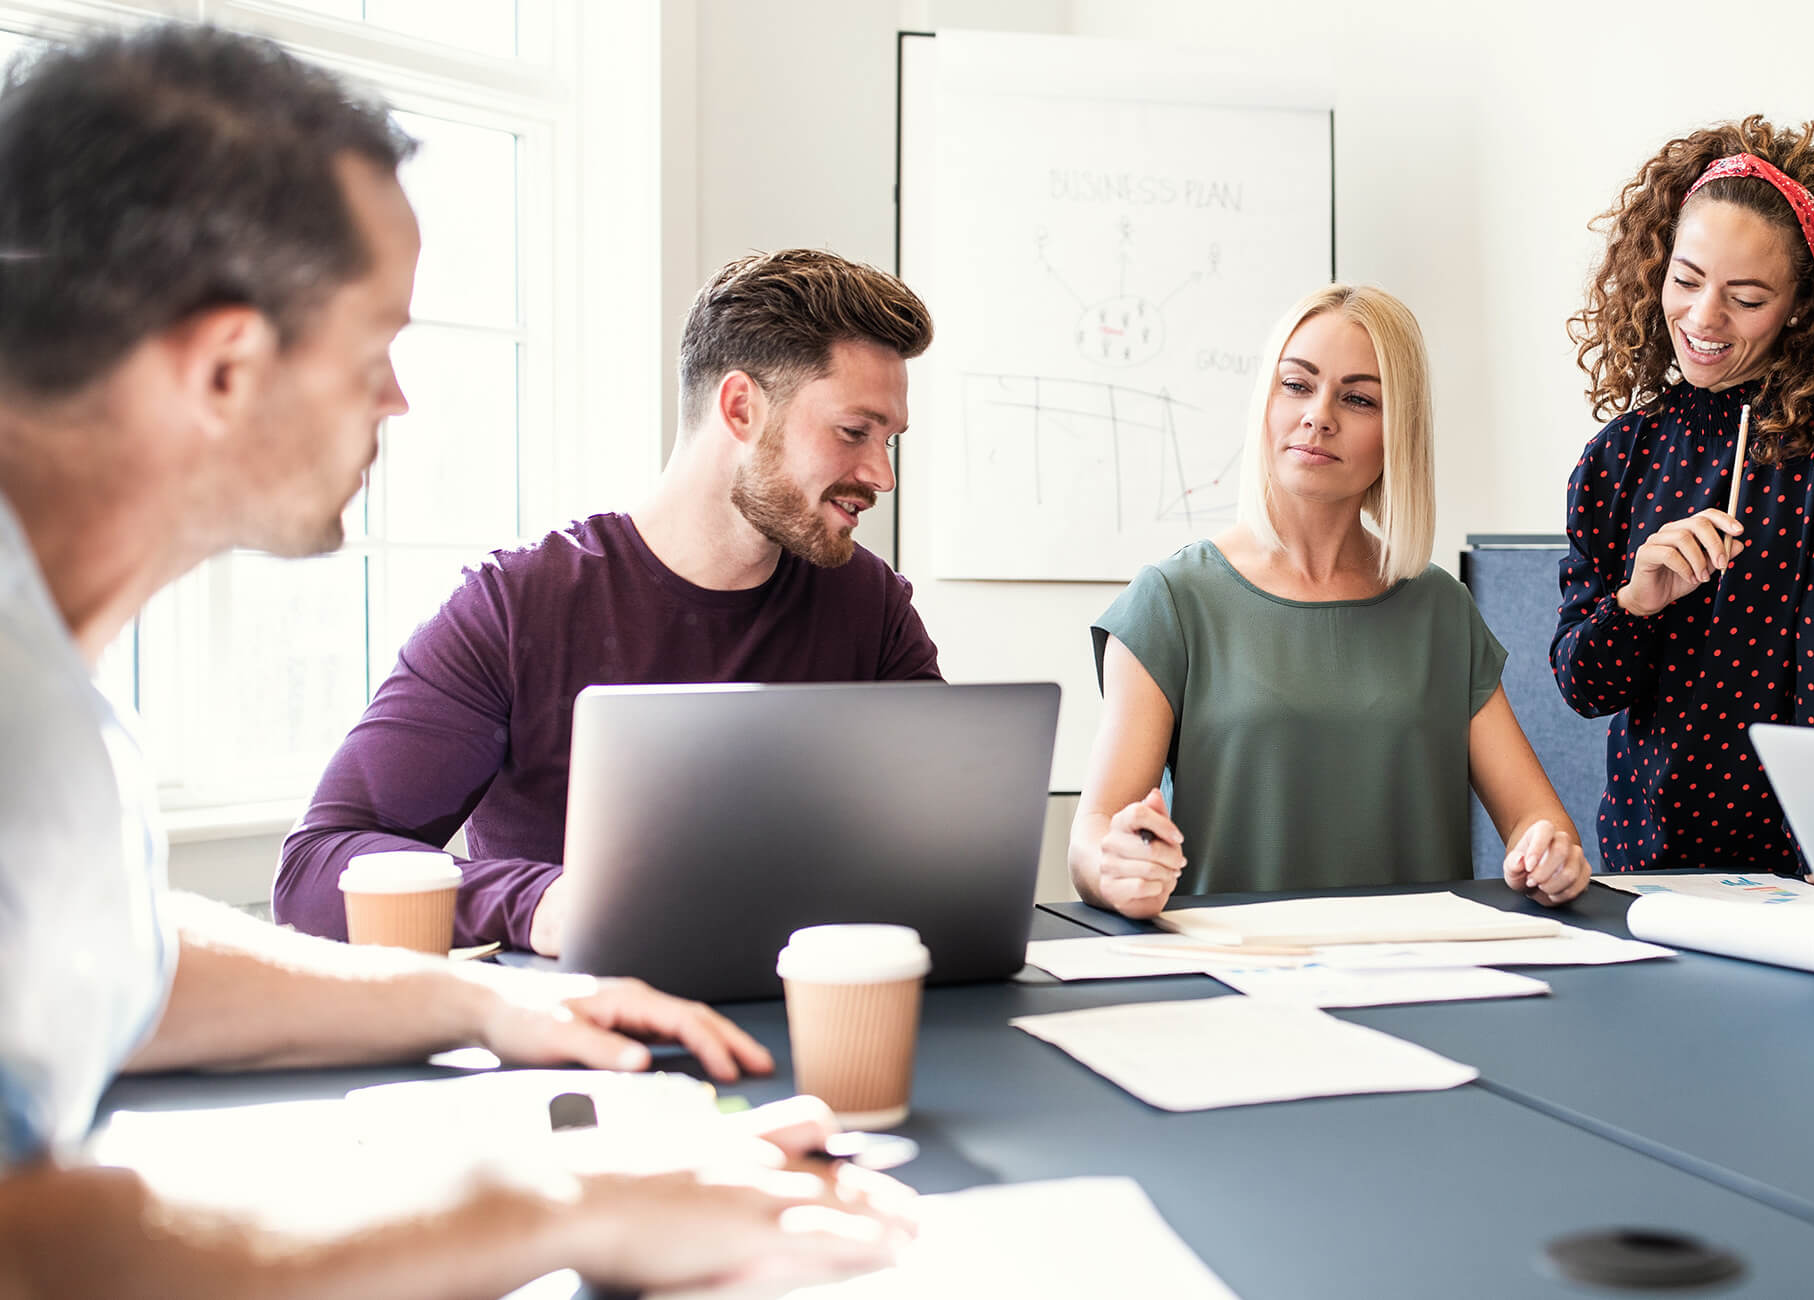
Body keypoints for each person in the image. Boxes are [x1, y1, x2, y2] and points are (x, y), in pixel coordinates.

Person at [0, 25, 908, 1294]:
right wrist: (555, 1207)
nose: (400, 402)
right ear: (221, 366)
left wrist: (483, 1007)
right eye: (374, 349)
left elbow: (120, 966)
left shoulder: (51, 690)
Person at [276, 248, 943, 955]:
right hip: (591, 1028)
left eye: (890, 440)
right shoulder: (515, 605)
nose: (881, 474)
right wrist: (545, 902)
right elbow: (318, 867)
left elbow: (943, 831)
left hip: (821, 1004)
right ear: (742, 407)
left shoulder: (867, 602)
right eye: (854, 432)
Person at [1071, 284, 1593, 919]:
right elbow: (1093, 833)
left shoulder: (1440, 610)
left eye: (1358, 398)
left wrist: (1551, 855)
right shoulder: (1172, 602)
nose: (1319, 415)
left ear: (1398, 431)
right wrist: (1115, 867)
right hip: (1236, 982)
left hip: (1423, 979)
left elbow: (1538, 823)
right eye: (1297, 385)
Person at [1551, 116, 1814, 876]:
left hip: (1811, 859)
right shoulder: (1619, 456)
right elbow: (1583, 685)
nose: (1704, 319)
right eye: (1685, 280)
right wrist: (1637, 602)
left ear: (1803, 305)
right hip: (1653, 861)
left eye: (1745, 298)